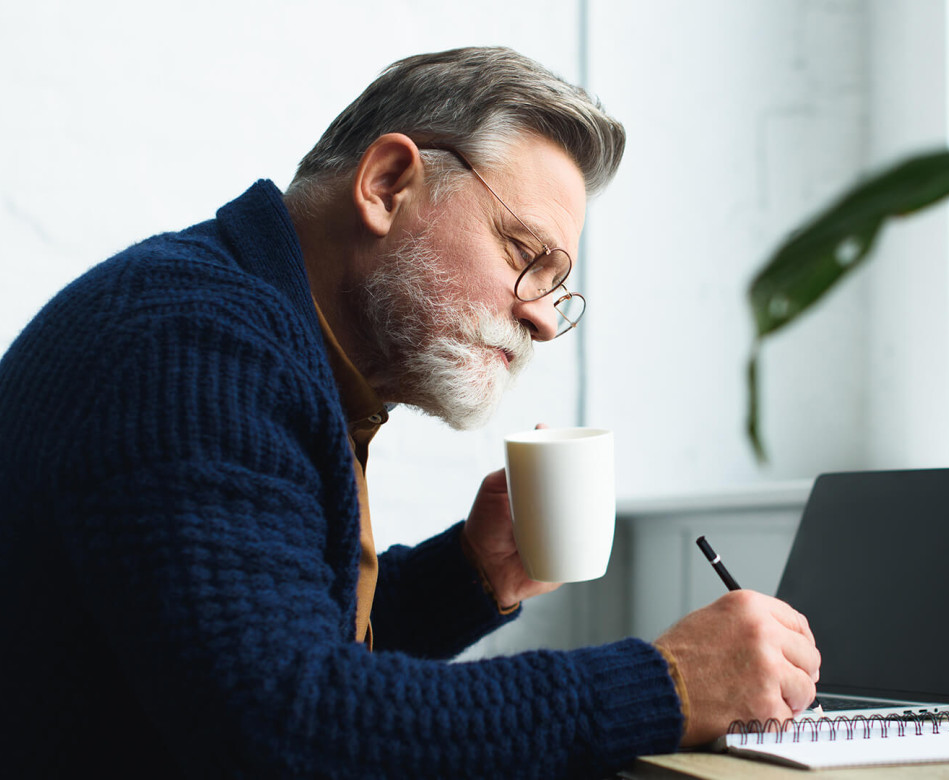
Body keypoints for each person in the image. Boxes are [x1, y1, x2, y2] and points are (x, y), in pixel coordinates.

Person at [0, 46, 820, 778]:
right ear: (389, 184)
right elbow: (291, 728)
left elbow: (257, 653)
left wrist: (470, 573)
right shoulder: (193, 348)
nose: (540, 317)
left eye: (557, 287)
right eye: (526, 255)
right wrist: (668, 685)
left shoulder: (248, 327)